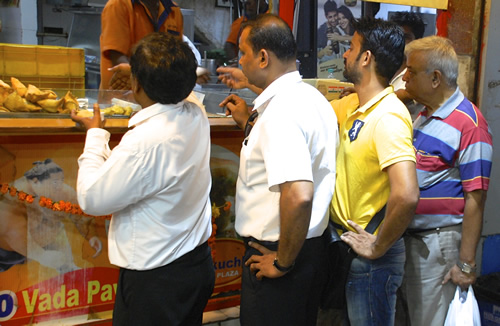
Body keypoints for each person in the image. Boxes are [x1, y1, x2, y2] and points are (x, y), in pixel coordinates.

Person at [71, 32, 215, 325]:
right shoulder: (196, 114)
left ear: (135, 85)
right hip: (196, 267)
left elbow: (91, 197)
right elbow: (182, 88)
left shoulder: (144, 141)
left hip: (157, 283)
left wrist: (95, 134)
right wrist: (145, 71)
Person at [220, 14, 338, 325]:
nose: (240, 62)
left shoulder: (281, 114)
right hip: (310, 247)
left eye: (243, 53)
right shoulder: (311, 98)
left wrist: (283, 263)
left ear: (263, 57)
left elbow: (298, 195)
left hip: (279, 252)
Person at [328, 18, 419, 325]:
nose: (344, 54)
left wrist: (378, 245)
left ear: (365, 58)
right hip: (348, 252)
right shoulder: (354, 105)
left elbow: (406, 195)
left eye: (350, 47)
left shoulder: (389, 118)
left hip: (372, 260)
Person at [400, 35, 493, 326]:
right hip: (412, 241)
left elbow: (475, 198)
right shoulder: (426, 114)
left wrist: (466, 264)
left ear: (436, 78)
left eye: (412, 71)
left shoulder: (470, 125)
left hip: (438, 246)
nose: (405, 77)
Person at [0, 159, 102, 274]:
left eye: (61, 181)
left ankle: (69, 268)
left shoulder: (63, 192)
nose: (59, 186)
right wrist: (42, 256)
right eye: (54, 183)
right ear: (35, 181)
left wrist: (90, 236)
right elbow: (13, 235)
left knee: (55, 223)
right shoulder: (11, 200)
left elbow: (78, 215)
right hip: (5, 253)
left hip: (39, 248)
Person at [99, 0, 184, 90]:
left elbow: (178, 58)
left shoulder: (173, 9)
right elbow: (118, 58)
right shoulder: (118, 5)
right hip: (120, 97)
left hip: (161, 96)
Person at [389, 11, 426, 120]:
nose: (399, 41)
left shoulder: (421, 71)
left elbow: (404, 96)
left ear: (417, 41)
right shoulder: (386, 66)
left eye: (406, 37)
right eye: (395, 36)